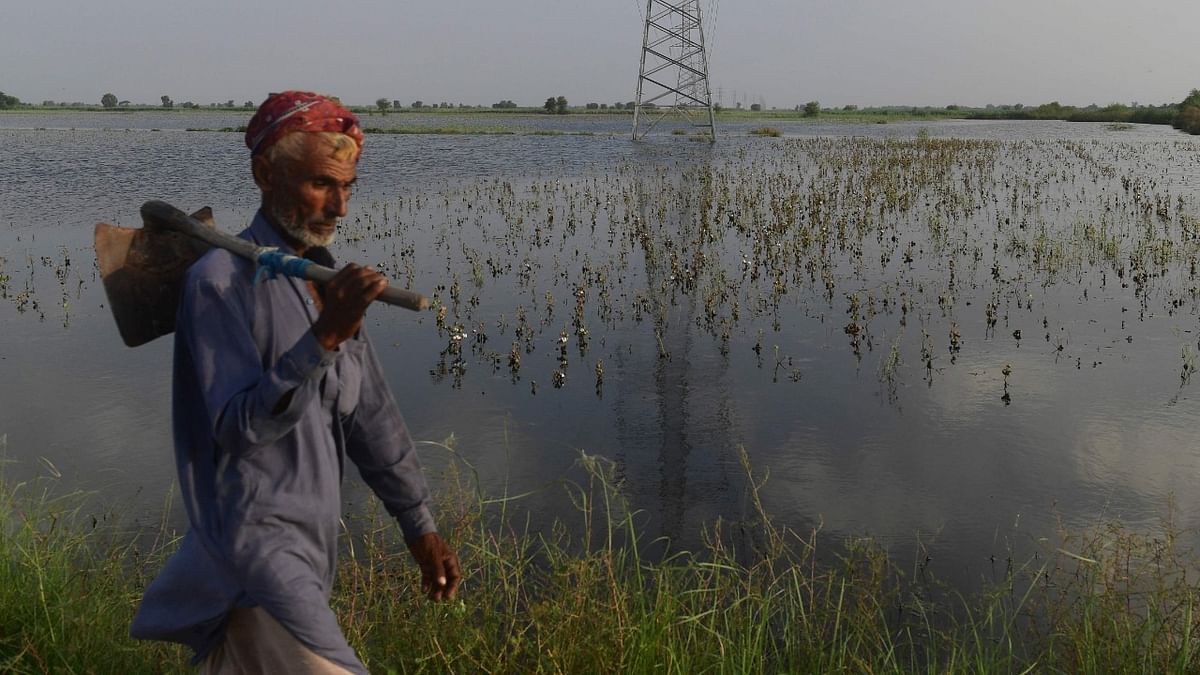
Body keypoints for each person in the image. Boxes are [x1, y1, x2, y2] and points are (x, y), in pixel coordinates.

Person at [131, 91, 460, 674]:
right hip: (254, 554)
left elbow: (373, 421)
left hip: (310, 551)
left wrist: (420, 526)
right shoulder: (219, 283)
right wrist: (324, 339)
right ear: (265, 174)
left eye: (348, 186)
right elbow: (239, 430)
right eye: (320, 184)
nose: (340, 207)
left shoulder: (325, 282)